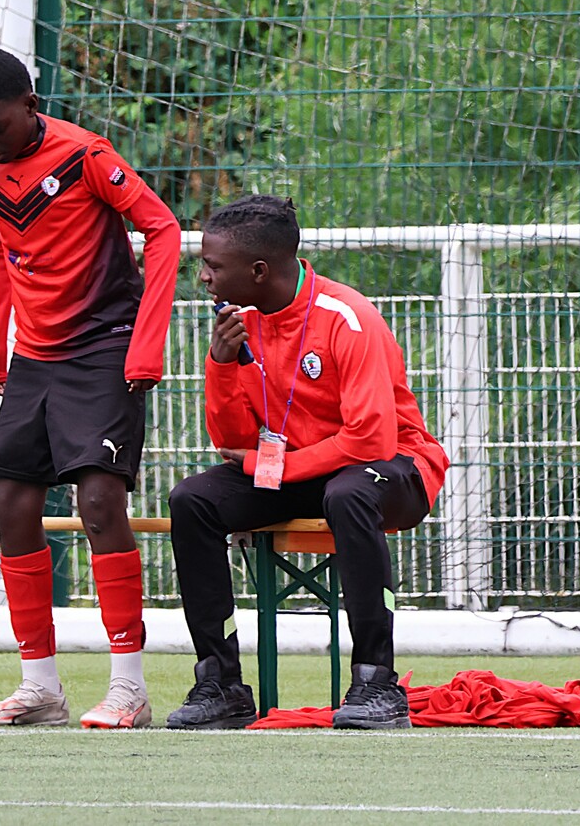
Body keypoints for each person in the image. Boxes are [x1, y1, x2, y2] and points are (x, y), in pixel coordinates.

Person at [0, 48, 182, 730]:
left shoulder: (87, 156)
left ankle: (129, 688)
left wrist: (147, 343)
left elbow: (163, 229)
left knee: (99, 500)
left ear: (30, 104)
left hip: (105, 345)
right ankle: (40, 688)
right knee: (11, 500)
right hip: (36, 354)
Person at [168, 194, 448, 730]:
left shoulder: (347, 317)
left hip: (391, 466)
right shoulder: (240, 322)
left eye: (212, 266)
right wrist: (220, 365)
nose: (203, 277)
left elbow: (369, 440)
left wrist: (270, 468)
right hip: (300, 469)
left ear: (259, 270)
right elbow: (231, 441)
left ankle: (376, 683)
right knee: (193, 499)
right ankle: (221, 685)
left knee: (349, 492)